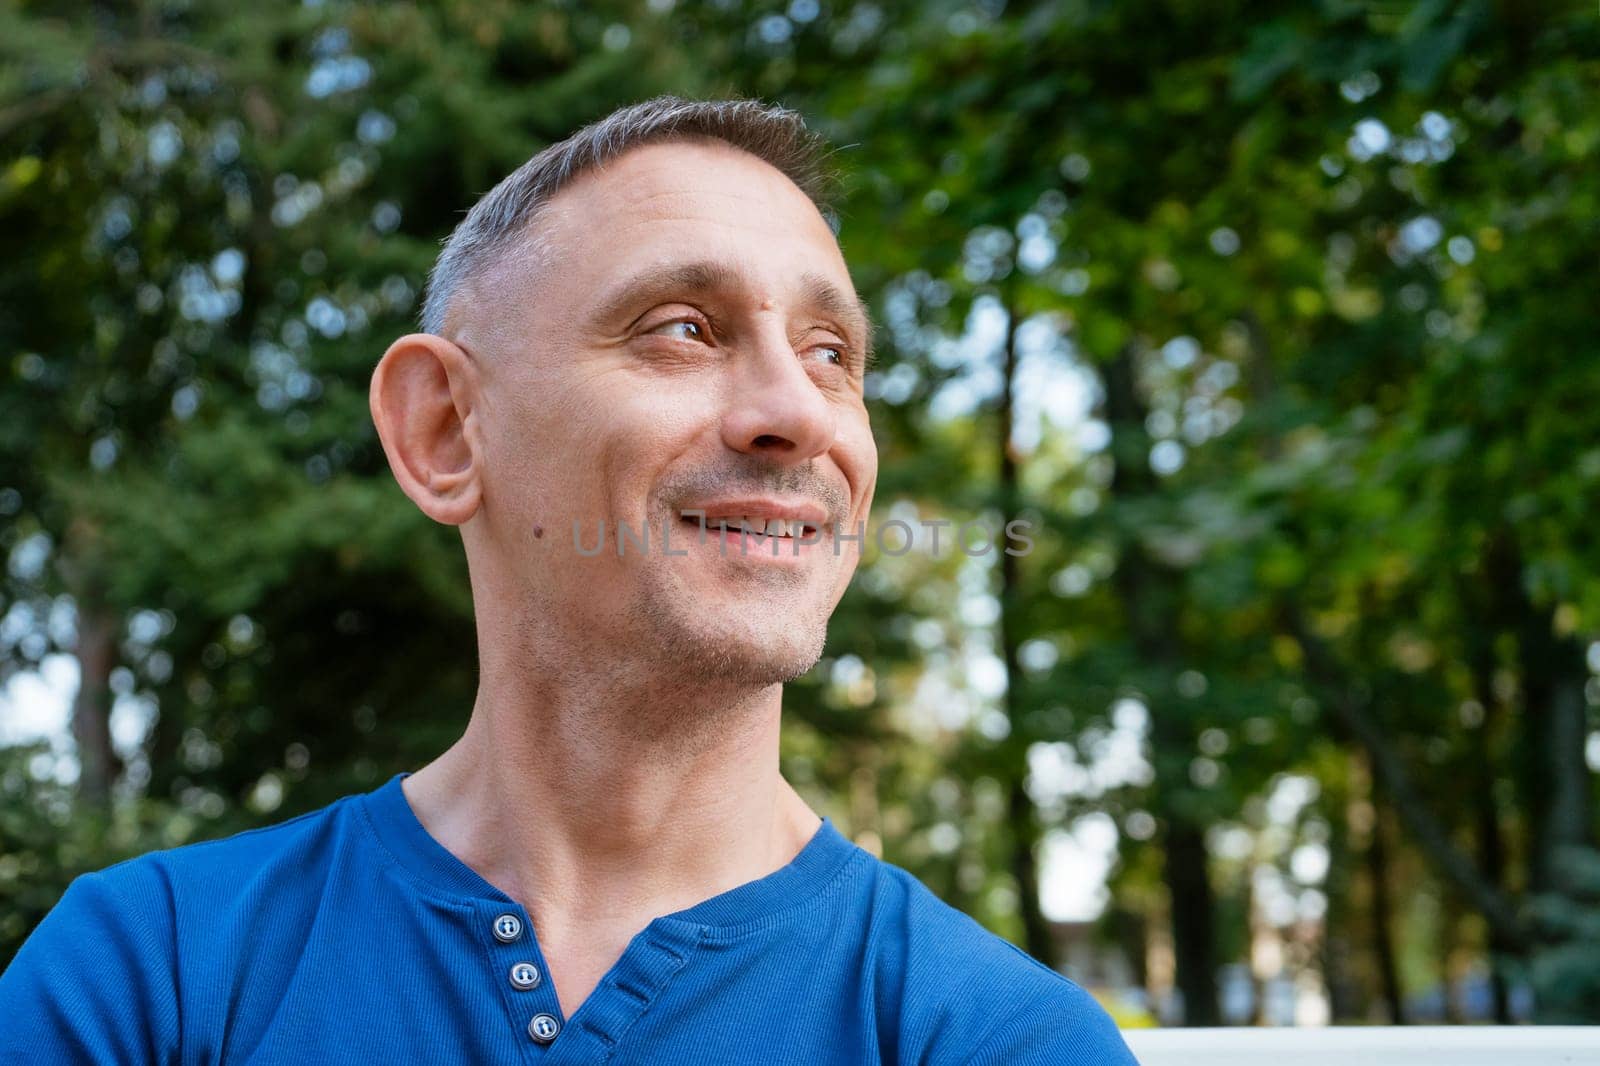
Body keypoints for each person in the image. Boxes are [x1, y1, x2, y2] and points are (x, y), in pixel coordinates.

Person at [0, 95, 1138, 1064]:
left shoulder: (993, 1037)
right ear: (445, 430)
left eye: (832, 354)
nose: (796, 410)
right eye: (683, 328)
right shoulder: (146, 981)